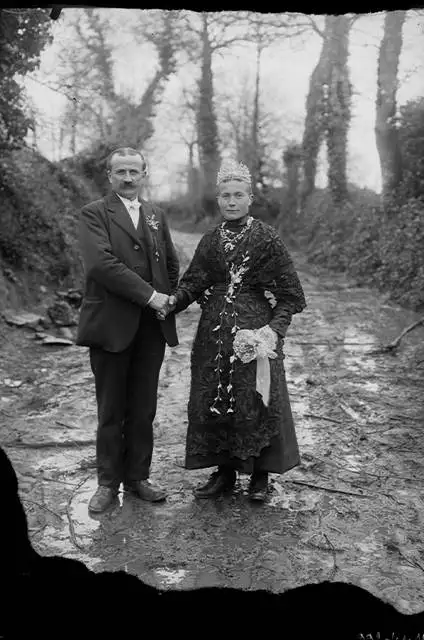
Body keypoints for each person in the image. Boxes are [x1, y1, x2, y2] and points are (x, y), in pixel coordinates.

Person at [164, 159, 306, 502]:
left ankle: (260, 476)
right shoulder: (210, 240)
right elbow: (194, 284)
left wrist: (273, 331)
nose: (231, 201)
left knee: (256, 397)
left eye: (238, 195)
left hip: (255, 334)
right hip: (213, 335)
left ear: (250, 198)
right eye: (225, 195)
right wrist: (169, 303)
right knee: (216, 398)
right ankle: (224, 472)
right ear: (218, 199)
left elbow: (291, 295)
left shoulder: (267, 238)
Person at [76, 147, 179, 513]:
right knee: (111, 408)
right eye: (121, 172)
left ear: (144, 173)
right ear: (109, 176)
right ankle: (107, 483)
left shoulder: (155, 214)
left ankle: (138, 477)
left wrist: (171, 301)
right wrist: (151, 296)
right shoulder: (93, 215)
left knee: (143, 407)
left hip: (151, 329)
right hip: (110, 325)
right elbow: (100, 265)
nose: (128, 178)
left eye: (134, 171)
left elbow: (169, 262)